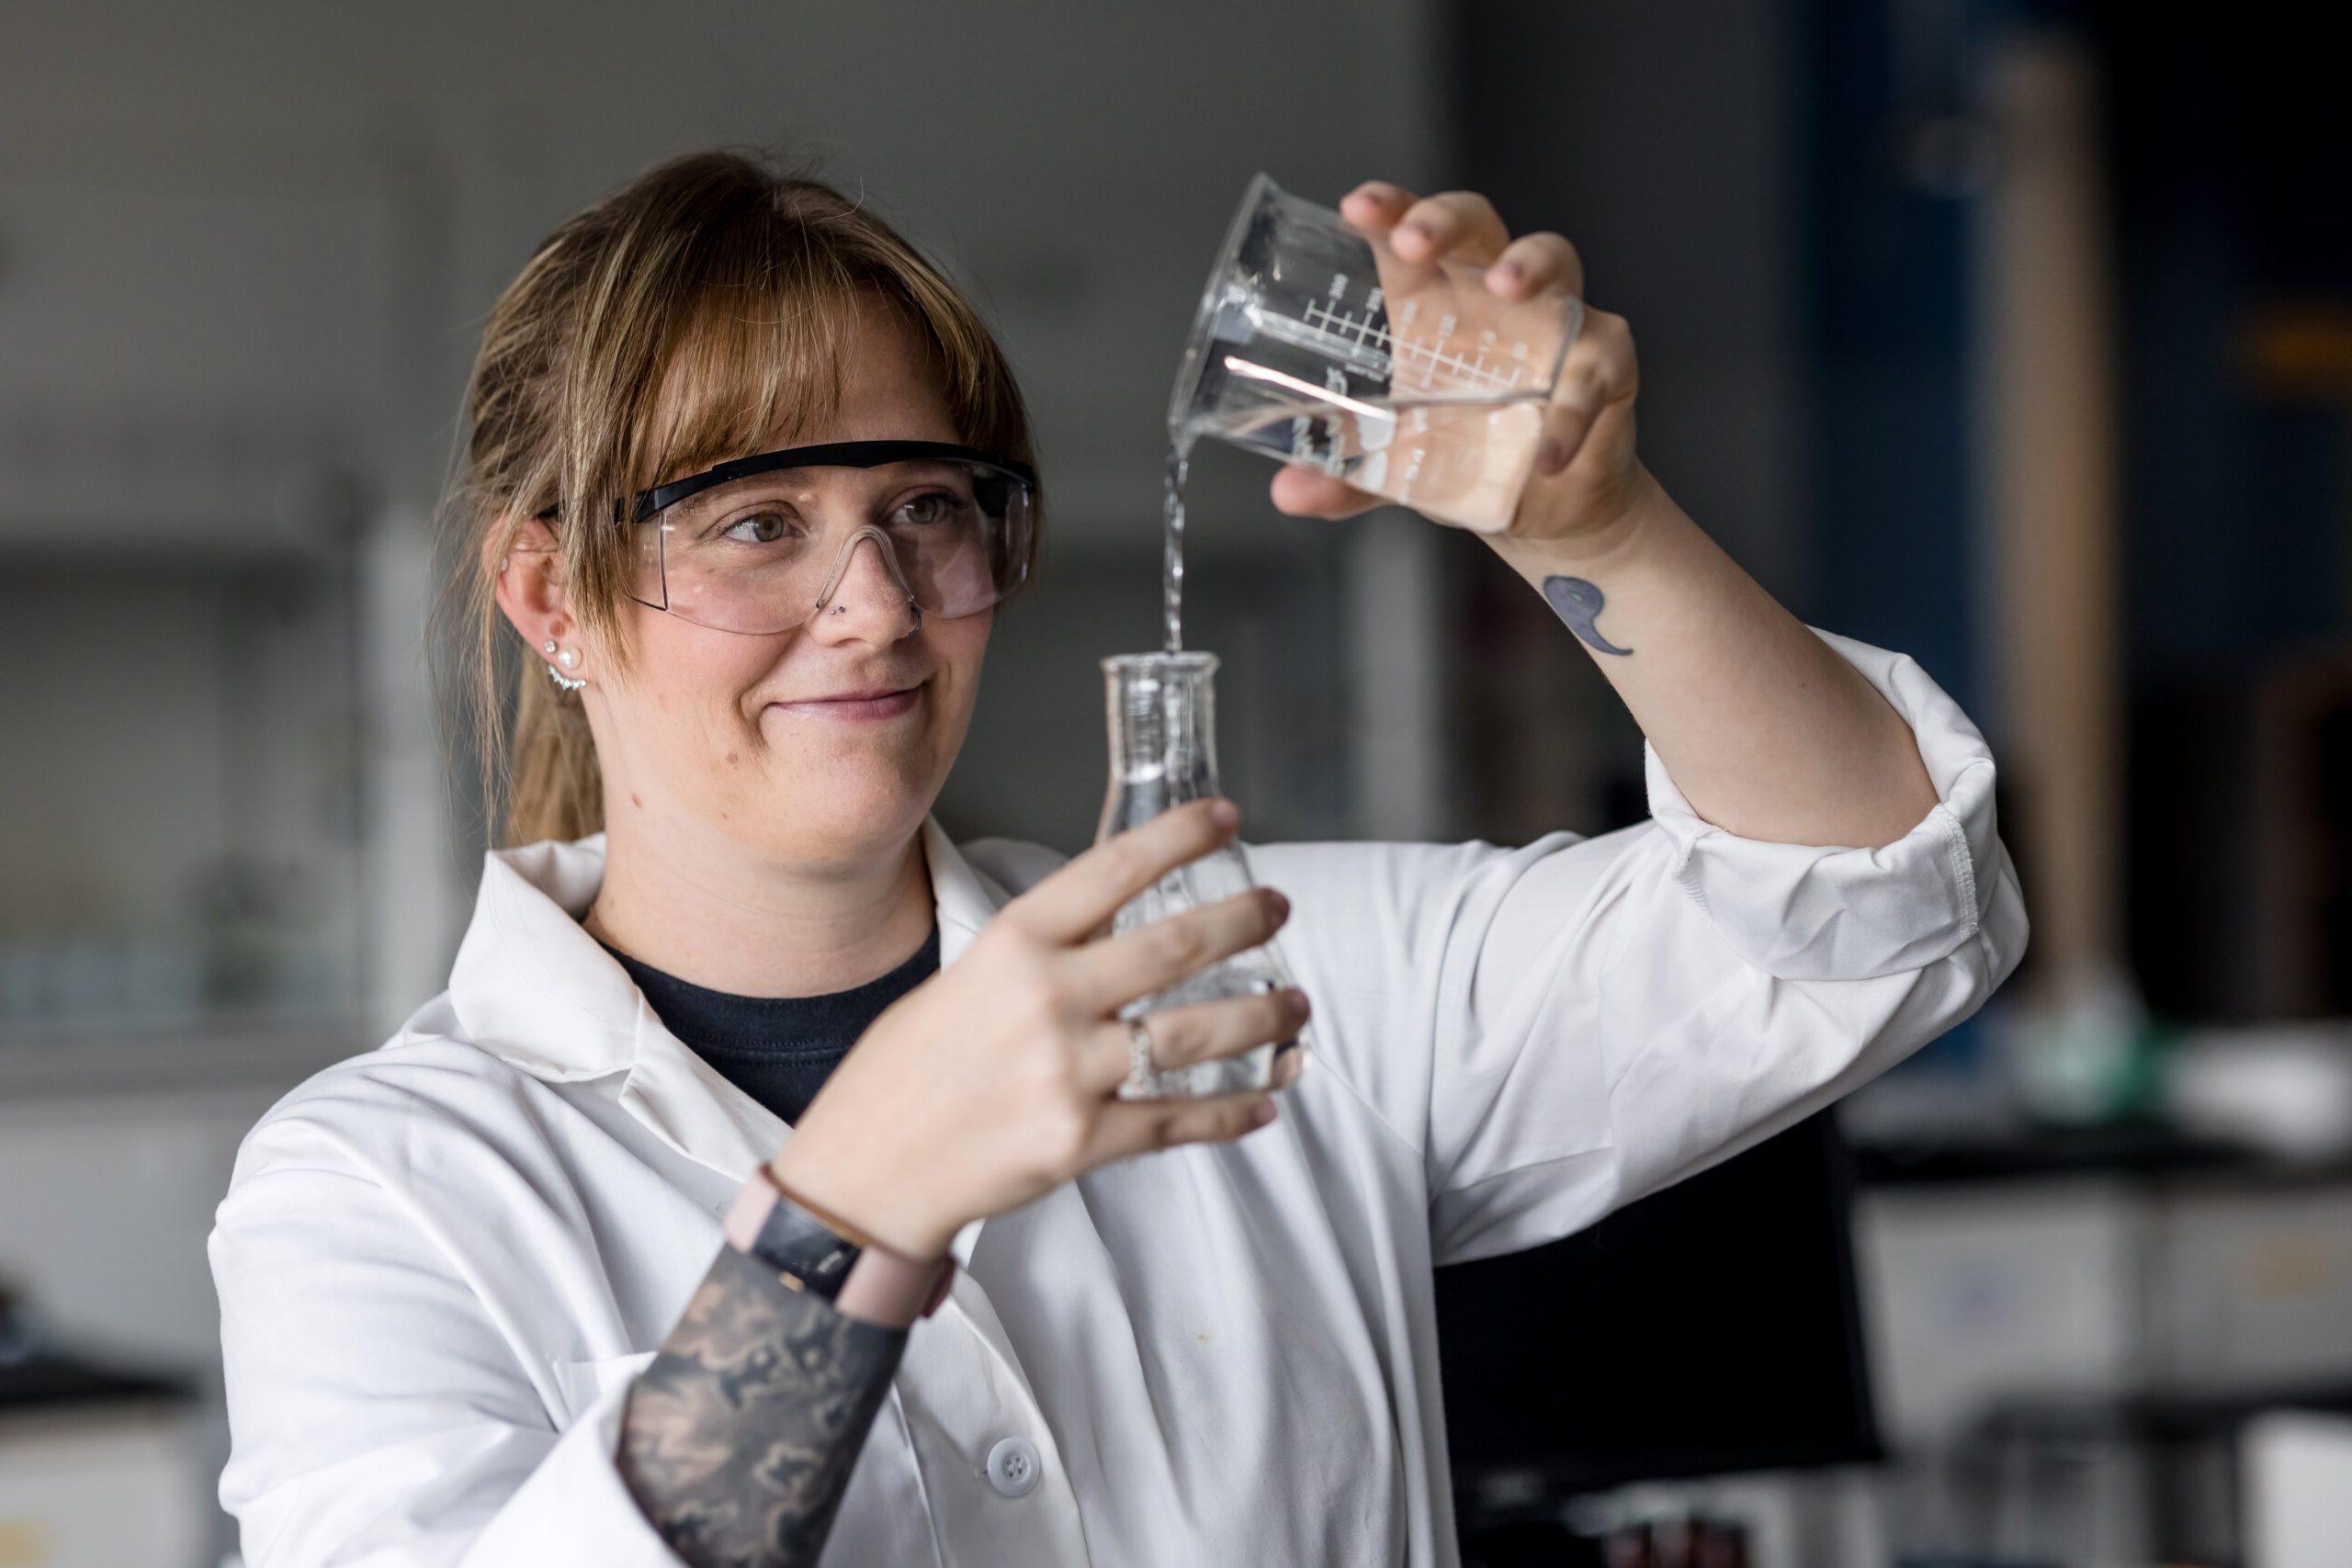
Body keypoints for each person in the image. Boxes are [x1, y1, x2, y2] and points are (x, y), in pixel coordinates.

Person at [208, 148, 2027, 1568]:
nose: (873, 605)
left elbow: (1865, 910)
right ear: (550, 596)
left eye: (927, 508)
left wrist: (1598, 524)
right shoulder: (385, 1184)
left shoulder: (1266, 976)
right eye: (758, 521)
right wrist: (842, 1217)